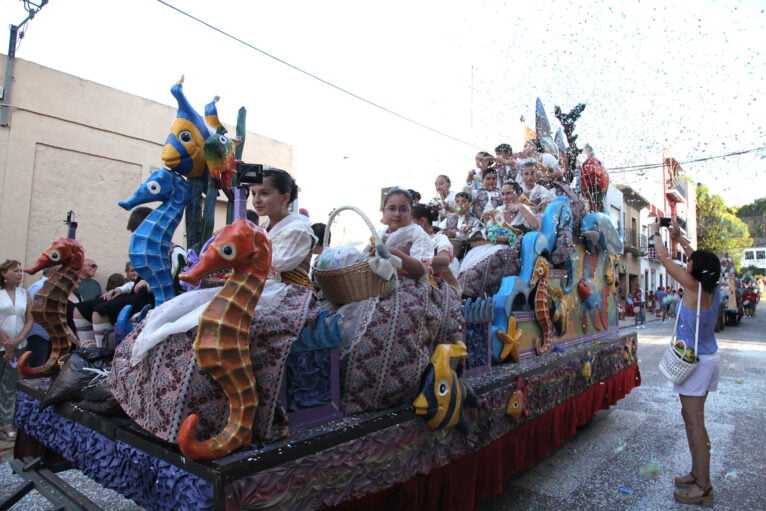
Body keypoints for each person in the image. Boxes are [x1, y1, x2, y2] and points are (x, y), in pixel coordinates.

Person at [110, 168, 321, 443]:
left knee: (219, 326)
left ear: (285, 197)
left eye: (265, 193)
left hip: (287, 293)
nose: (257, 200)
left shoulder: (298, 228)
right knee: (176, 309)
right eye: (255, 194)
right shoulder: (265, 227)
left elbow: (274, 266)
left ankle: (214, 413)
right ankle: (149, 397)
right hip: (257, 286)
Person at [338, 188, 462, 414]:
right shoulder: (380, 233)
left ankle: (388, 390)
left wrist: (396, 254)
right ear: (383, 212)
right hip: (378, 285)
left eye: (403, 209)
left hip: (411, 286)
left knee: (389, 322)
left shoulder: (417, 234)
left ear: (411, 212)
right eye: (391, 208)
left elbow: (419, 270)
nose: (396, 214)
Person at [650, 216, 721, 507]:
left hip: (697, 362)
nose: (688, 261)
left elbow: (665, 259)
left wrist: (656, 233)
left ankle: (704, 487)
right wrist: (679, 236)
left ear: (695, 269)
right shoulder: (709, 284)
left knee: (695, 424)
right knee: (689, 419)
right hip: (705, 356)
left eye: (691, 261)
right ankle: (696, 473)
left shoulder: (693, 287)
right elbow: (694, 256)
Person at [0, 259, 34, 441]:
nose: (20, 274)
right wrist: (6, 343)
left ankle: (6, 422)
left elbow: (29, 319)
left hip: (19, 345)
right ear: (4, 274)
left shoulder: (24, 293)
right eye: (15, 271)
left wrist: (18, 340)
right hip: (3, 344)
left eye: (21, 271)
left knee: (10, 384)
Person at [413, 203, 460, 293]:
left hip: (437, 282)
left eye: (410, 222)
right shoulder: (412, 238)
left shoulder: (439, 238)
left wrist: (418, 260)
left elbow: (445, 259)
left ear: (422, 221)